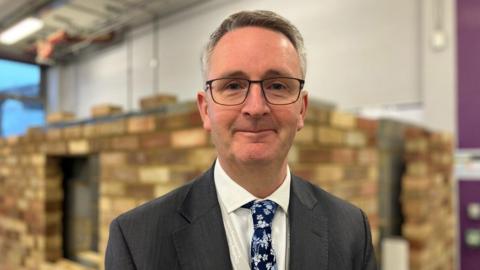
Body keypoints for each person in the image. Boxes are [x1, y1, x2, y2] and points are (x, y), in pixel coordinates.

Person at [105, 10, 377, 270]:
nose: (256, 107)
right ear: (205, 109)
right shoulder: (136, 240)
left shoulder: (351, 229)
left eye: (277, 85)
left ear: (302, 109)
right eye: (233, 86)